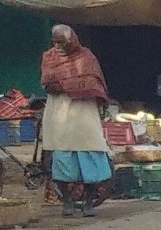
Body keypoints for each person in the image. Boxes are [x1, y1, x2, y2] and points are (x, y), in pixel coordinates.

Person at [40, 25, 115, 219]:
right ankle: (67, 202)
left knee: (91, 155)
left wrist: (66, 84)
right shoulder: (49, 57)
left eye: (62, 42)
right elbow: (48, 84)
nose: (57, 46)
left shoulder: (87, 57)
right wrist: (74, 84)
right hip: (60, 112)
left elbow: (94, 82)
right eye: (55, 42)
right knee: (63, 158)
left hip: (84, 114)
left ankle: (89, 203)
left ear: (72, 40)